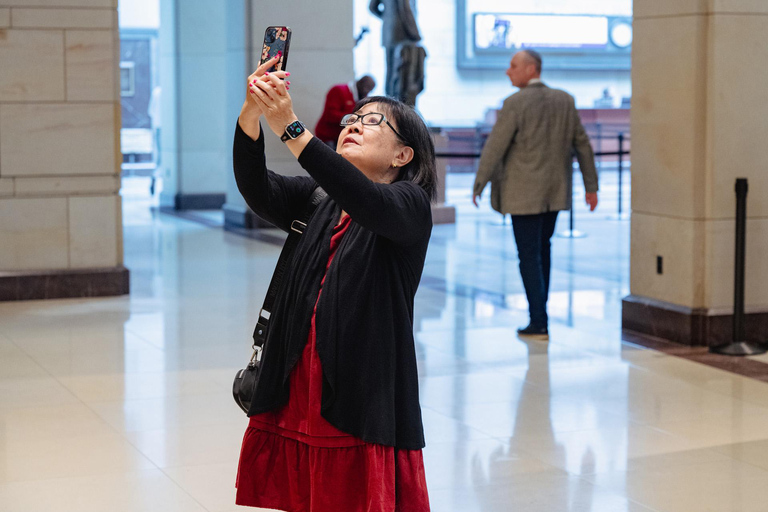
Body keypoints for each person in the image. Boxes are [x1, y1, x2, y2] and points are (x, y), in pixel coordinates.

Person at [233, 56, 435, 511]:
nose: (354, 125)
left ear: (404, 155)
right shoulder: (319, 198)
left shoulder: (408, 206)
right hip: (297, 385)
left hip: (359, 398)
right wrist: (252, 113)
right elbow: (255, 186)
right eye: (351, 118)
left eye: (372, 121)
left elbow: (364, 197)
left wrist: (291, 127)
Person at [472, 50, 598, 339]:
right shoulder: (565, 100)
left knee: (528, 256)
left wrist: (479, 182)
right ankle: (540, 314)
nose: (508, 71)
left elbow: (495, 146)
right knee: (543, 251)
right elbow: (583, 145)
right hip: (554, 193)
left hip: (523, 195)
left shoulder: (515, 103)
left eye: (513, 66)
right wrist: (591, 186)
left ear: (531, 69)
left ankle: (538, 320)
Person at [369, 0, 421, 97]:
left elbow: (372, 8)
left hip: (389, 33)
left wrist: (387, 18)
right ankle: (400, 107)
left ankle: (389, 104)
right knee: (404, 73)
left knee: (390, 72)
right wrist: (415, 34)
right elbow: (405, 9)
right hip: (405, 34)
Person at [314, 75, 376, 147]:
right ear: (360, 83)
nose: (367, 92)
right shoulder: (338, 90)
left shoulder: (361, 98)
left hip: (341, 138)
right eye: (367, 89)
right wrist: (353, 118)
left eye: (370, 91)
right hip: (327, 137)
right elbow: (330, 115)